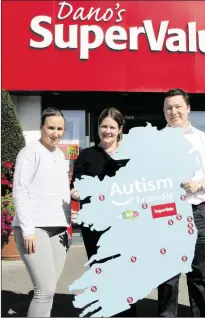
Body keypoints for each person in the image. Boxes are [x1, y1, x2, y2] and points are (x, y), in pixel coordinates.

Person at [157, 88, 205, 317]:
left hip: (198, 213)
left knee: (199, 274)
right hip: (167, 214)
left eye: (177, 107)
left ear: (188, 109)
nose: (173, 112)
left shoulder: (203, 139)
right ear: (164, 112)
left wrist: (200, 185)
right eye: (169, 108)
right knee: (167, 276)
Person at [70, 107, 136, 317]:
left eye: (112, 127)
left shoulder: (131, 155)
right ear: (98, 128)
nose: (108, 131)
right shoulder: (86, 155)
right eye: (104, 126)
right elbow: (76, 186)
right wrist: (75, 192)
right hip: (96, 228)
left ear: (120, 129)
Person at [12, 107, 71, 317]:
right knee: (44, 291)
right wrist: (27, 230)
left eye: (60, 129)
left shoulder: (58, 154)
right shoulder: (29, 153)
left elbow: (58, 191)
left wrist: (68, 225)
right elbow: (20, 191)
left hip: (58, 230)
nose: (55, 133)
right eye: (51, 128)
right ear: (41, 128)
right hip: (35, 229)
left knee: (49, 290)